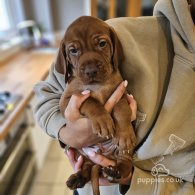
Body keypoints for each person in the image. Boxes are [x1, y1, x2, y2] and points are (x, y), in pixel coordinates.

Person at [34, 0, 195, 194]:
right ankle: (86, 172)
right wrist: (69, 133)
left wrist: (131, 180)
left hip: (141, 181)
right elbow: (48, 96)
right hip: (91, 172)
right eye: (75, 50)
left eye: (101, 45)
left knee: (122, 157)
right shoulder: (115, 30)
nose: (91, 67)